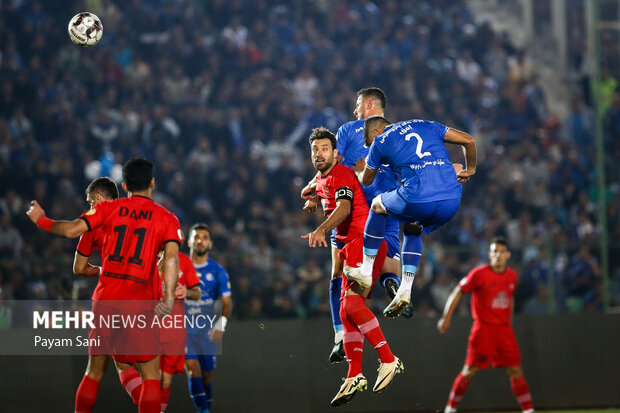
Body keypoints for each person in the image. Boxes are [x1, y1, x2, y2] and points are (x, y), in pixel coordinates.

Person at [27, 158, 181, 413]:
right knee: (150, 375)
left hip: (106, 301)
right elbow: (172, 259)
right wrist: (167, 298)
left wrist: (41, 220)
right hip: (141, 304)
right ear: (152, 182)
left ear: (125, 184)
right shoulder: (166, 219)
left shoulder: (108, 210)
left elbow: (71, 230)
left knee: (94, 371)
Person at [301, 87, 406, 365]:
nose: (354, 110)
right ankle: (394, 285)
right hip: (389, 205)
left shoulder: (349, 129)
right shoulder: (399, 133)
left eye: (357, 105)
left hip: (354, 212)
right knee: (387, 263)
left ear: (369, 104)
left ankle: (340, 336)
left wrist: (313, 190)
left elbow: (332, 165)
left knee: (339, 276)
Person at [346, 116, 476, 318]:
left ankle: (366, 269)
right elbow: (469, 140)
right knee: (412, 226)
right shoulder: (425, 124)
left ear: (377, 132)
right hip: (451, 202)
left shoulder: (381, 141)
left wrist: (360, 171)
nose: (372, 149)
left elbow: (368, 180)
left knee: (377, 205)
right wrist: (471, 169)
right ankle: (405, 290)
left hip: (418, 198)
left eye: (369, 144)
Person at [72, 177, 147, 411]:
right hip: (142, 298)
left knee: (94, 371)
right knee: (138, 367)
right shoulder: (140, 216)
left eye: (89, 202)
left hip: (111, 297)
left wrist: (101, 269)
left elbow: (79, 268)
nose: (89, 207)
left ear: (98, 199)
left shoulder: (94, 221)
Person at [437, 238, 534, 413]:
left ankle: (528, 410)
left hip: (504, 330)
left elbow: (510, 298)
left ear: (508, 255)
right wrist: (446, 317)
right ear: (490, 254)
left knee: (515, 369)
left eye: (502, 251)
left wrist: (508, 323)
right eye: (495, 251)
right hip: (484, 329)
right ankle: (450, 409)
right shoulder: (479, 274)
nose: (498, 255)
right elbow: (458, 291)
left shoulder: (512, 275)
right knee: (469, 370)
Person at [185, 223, 232, 413]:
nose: (200, 241)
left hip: (207, 330)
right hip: (183, 328)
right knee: (192, 370)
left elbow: (226, 302)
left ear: (210, 244)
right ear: (189, 241)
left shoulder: (218, 271)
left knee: (206, 377)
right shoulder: (179, 266)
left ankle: (205, 409)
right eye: (196, 236)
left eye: (204, 237)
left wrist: (221, 324)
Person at [158, 240, 201, 413]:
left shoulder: (183, 260)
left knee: (166, 381)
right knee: (153, 378)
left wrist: (187, 291)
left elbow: (197, 293)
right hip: (149, 325)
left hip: (174, 329)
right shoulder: (146, 258)